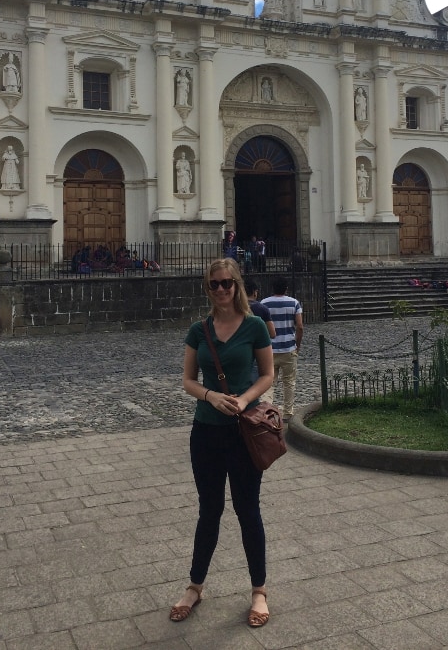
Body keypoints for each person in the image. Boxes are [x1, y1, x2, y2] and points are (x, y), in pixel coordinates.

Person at [170, 259, 273, 628]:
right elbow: (187, 380)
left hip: (244, 433)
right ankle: (195, 586)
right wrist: (210, 396)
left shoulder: (255, 326)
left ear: (237, 285)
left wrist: (244, 401)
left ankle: (259, 591)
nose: (221, 289)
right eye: (214, 284)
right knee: (209, 510)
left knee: (248, 510)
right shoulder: (199, 330)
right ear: (207, 288)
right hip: (207, 432)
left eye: (227, 283)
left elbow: (267, 374)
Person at [261, 276, 303, 422]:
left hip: (269, 350)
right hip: (288, 347)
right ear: (286, 288)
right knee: (289, 382)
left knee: (268, 382)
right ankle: (287, 413)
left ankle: (267, 411)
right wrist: (297, 344)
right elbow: (300, 326)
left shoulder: (264, 303)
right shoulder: (294, 303)